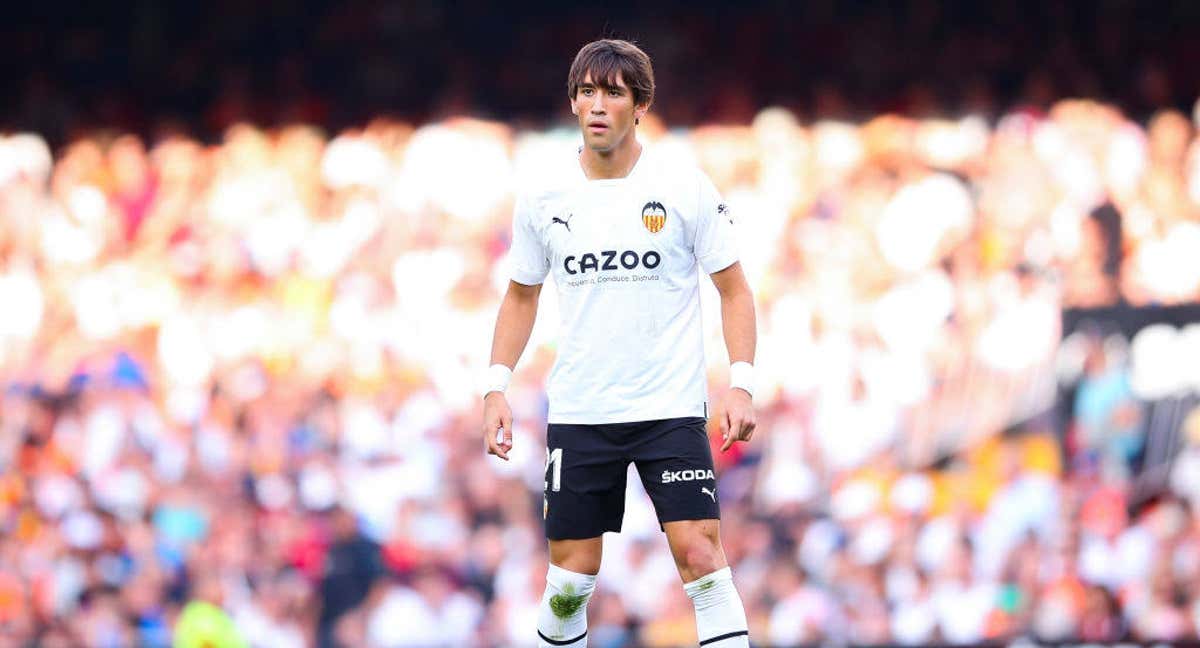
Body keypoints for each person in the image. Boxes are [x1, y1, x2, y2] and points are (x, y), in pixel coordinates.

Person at [481, 39, 758, 648]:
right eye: (586, 91)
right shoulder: (545, 196)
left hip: (670, 409)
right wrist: (495, 387)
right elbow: (521, 295)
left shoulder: (683, 186)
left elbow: (734, 290)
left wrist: (741, 380)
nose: (597, 105)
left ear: (640, 106)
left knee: (702, 558)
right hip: (583, 411)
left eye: (613, 92)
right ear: (574, 102)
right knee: (570, 582)